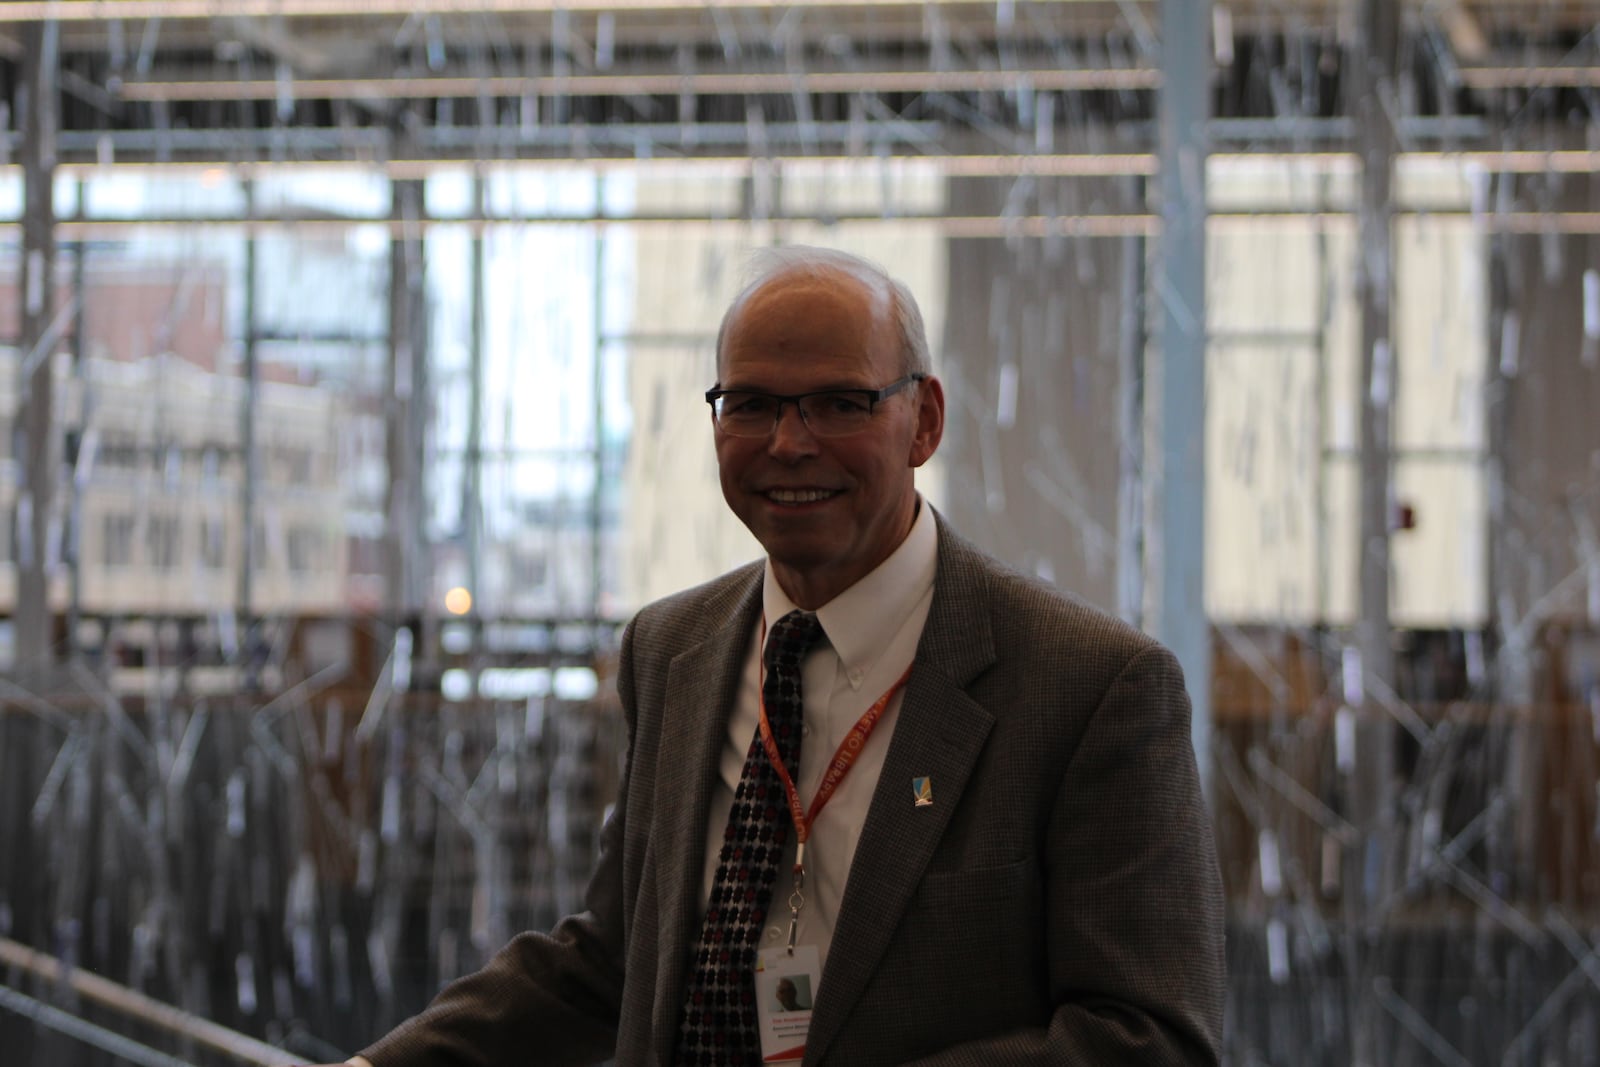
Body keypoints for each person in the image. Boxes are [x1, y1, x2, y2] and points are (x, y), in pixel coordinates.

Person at [317, 245, 1224, 1066]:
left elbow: (1148, 1038)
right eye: (750, 404)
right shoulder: (671, 650)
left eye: (840, 402)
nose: (790, 443)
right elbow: (617, 955)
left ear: (925, 419)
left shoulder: (1091, 686)